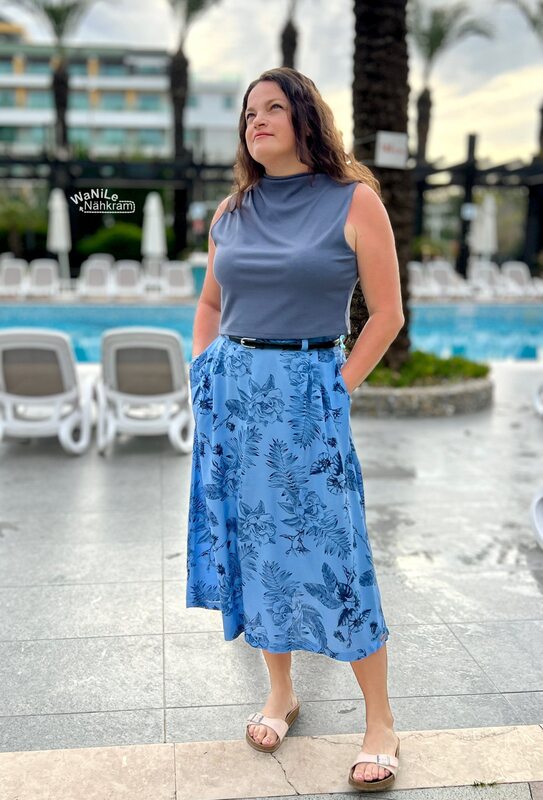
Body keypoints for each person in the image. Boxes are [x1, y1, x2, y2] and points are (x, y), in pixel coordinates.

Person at [186, 66, 404, 792]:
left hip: (308, 394)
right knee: (258, 549)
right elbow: (211, 303)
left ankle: (380, 720)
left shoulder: (354, 200)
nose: (256, 120)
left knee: (338, 553)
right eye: (249, 111)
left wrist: (336, 387)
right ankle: (280, 693)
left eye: (273, 107)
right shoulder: (232, 210)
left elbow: (386, 315)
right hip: (234, 400)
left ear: (306, 117)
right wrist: (202, 370)